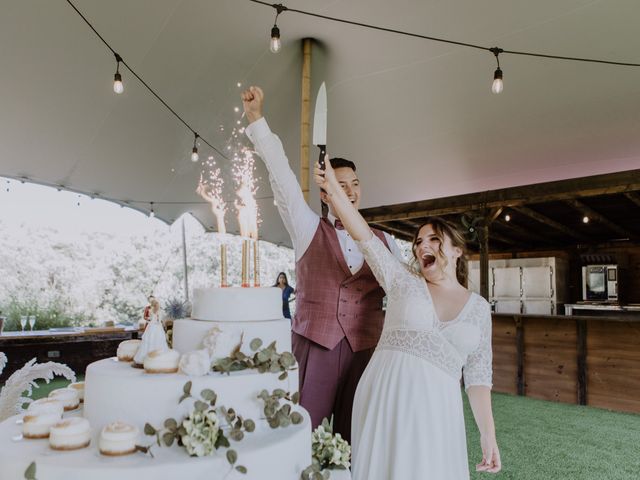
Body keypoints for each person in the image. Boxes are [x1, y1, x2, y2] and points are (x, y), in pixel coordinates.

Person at [314, 160, 501, 478]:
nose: (422, 246)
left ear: (456, 251)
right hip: (387, 396)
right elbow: (363, 235)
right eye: (418, 241)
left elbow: (478, 379)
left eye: (434, 239)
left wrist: (488, 435)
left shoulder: (479, 309)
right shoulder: (403, 281)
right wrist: (334, 189)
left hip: (440, 410)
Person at [242, 86, 404, 442]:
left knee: (357, 437)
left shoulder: (386, 242)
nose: (350, 190)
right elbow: (282, 178)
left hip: (366, 352)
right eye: (340, 183)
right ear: (324, 188)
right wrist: (257, 120)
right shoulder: (306, 227)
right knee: (300, 433)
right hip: (315, 346)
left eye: (355, 184)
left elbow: (405, 295)